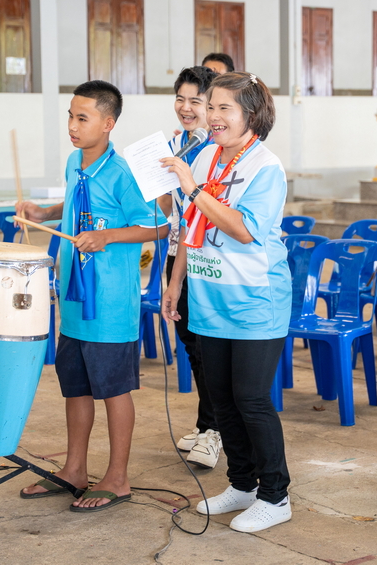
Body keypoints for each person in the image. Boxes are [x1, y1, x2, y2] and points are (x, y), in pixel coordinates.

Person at [16, 81, 167, 512]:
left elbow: (157, 226)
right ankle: (74, 469)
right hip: (74, 299)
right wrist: (44, 212)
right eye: (70, 115)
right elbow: (74, 204)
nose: (72, 125)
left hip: (111, 303)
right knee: (76, 389)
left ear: (108, 123)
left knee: (114, 390)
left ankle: (118, 477)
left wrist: (107, 236)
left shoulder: (123, 173)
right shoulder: (74, 162)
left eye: (82, 118)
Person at [159, 72, 293, 533]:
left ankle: (275, 495)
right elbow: (190, 228)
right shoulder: (207, 157)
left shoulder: (265, 167)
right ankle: (242, 484)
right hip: (208, 296)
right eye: (210, 106)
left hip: (255, 300)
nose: (212, 117)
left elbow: (244, 229)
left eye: (223, 109)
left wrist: (193, 188)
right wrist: (175, 281)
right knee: (221, 400)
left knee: (251, 399)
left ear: (251, 115)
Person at [157, 66, 221, 468]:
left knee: (209, 345)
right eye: (180, 99)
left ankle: (216, 430)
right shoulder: (174, 144)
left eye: (195, 101)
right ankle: (206, 422)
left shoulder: (216, 148)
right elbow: (170, 207)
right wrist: (157, 184)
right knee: (191, 344)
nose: (186, 107)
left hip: (208, 257)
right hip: (176, 251)